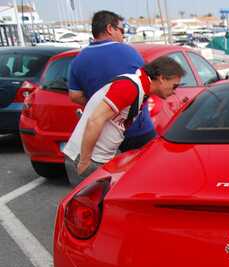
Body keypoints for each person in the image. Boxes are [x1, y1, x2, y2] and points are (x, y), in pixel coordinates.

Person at [63, 57, 185, 186]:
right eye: (174, 86)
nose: (174, 91)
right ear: (162, 78)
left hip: (97, 158)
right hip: (89, 158)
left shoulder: (139, 88)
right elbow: (95, 120)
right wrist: (84, 161)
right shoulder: (130, 86)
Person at [68, 10, 156, 153]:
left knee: (108, 174)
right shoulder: (130, 53)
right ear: (109, 28)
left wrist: (104, 105)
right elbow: (149, 85)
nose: (123, 35)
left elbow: (75, 96)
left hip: (103, 135)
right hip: (136, 131)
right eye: (121, 30)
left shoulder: (78, 60)